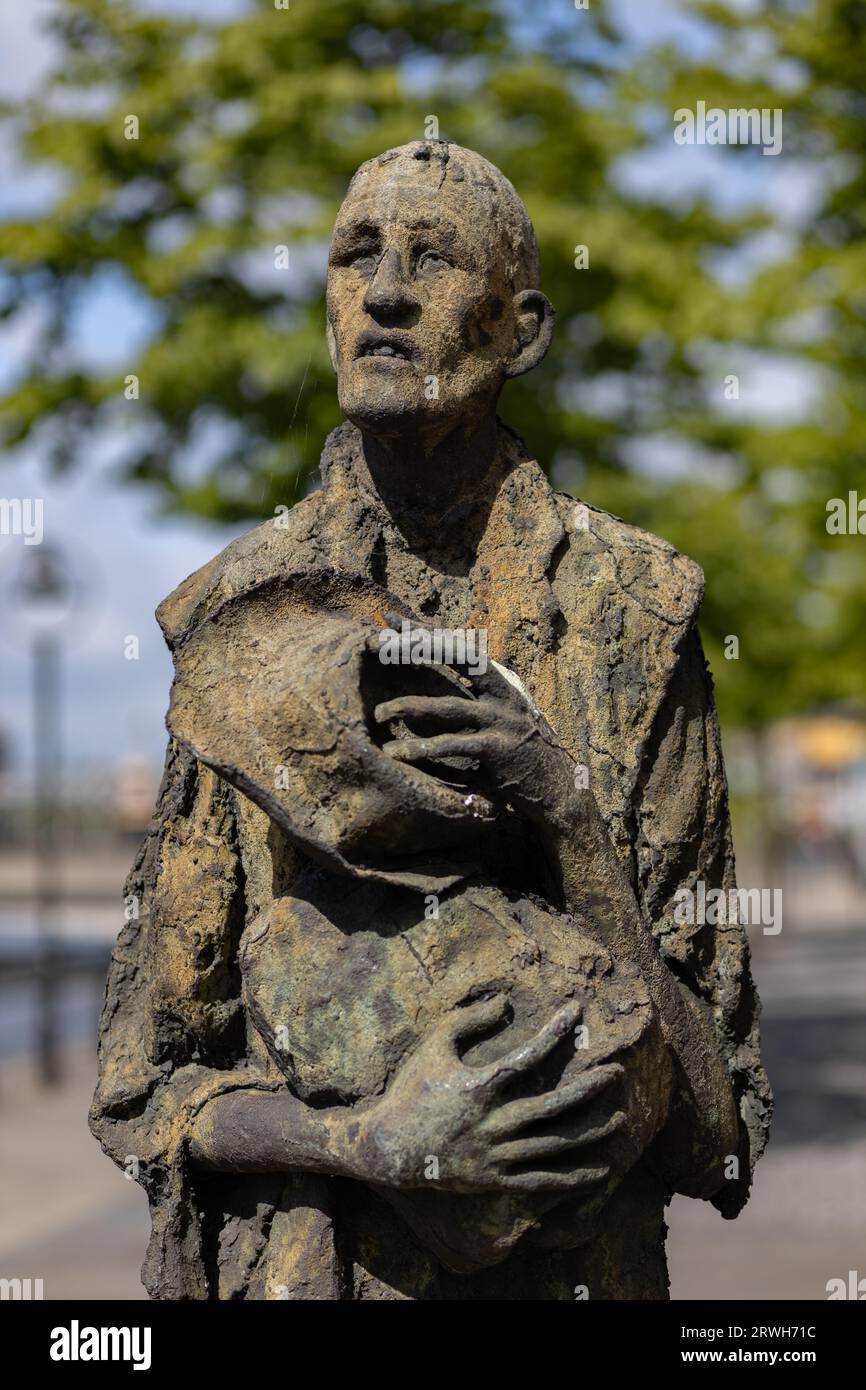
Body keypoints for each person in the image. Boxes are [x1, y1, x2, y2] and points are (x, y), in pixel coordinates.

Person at [91, 141, 770, 1300]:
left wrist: (566, 818)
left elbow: (715, 1131)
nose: (386, 290)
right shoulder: (234, 620)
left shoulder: (638, 611)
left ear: (521, 331)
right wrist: (373, 1142)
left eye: (434, 257)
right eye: (355, 254)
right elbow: (147, 1087)